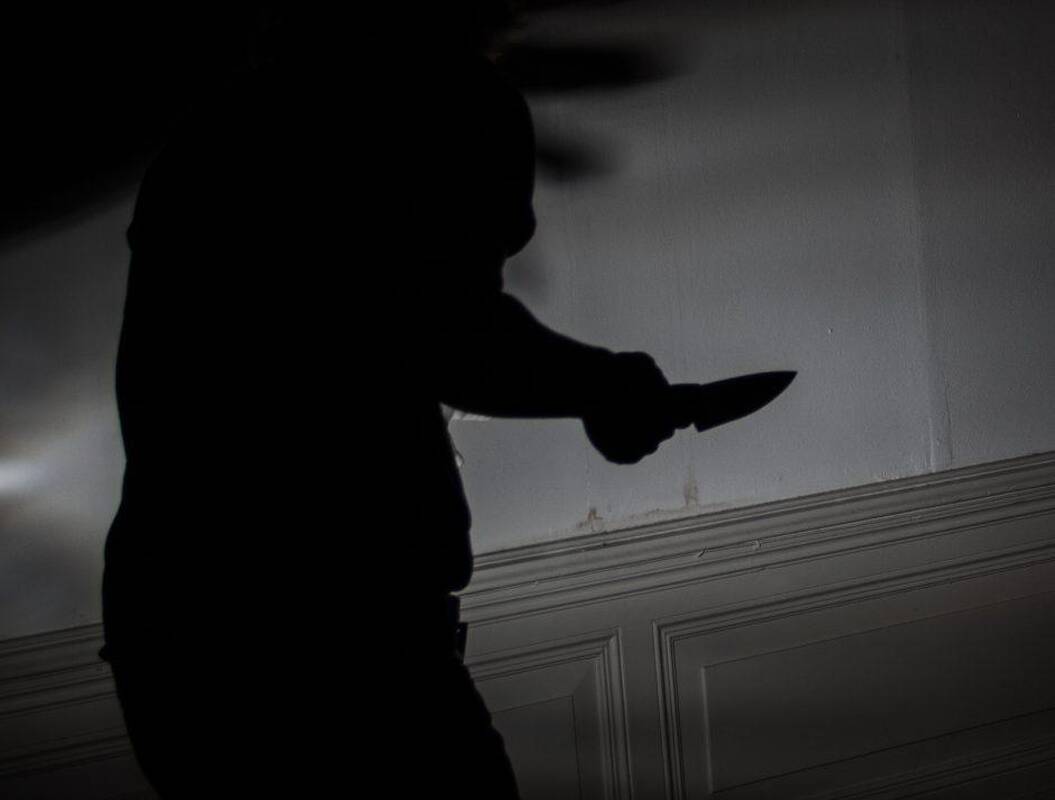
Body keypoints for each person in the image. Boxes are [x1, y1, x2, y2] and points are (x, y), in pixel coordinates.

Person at [101, 6, 678, 797]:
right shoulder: (378, 114)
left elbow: (433, 323)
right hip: (320, 646)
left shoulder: (227, 133)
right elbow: (454, 331)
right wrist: (607, 385)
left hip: (194, 633)